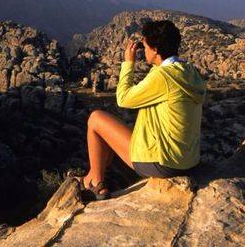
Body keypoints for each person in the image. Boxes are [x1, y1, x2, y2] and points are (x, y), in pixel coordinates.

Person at [81, 20, 207, 200]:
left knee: (96, 118)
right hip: (188, 161)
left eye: (146, 47)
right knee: (119, 129)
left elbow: (123, 99)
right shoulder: (188, 72)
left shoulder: (162, 76)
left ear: (155, 50)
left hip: (163, 163)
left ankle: (94, 183)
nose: (144, 51)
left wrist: (128, 63)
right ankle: (94, 177)